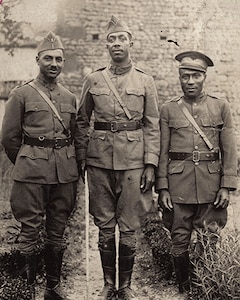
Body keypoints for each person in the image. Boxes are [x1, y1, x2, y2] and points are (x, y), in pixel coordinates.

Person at [74, 15, 160, 300]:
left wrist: (150, 163)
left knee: (130, 223)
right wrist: (83, 157)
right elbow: (81, 120)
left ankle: (125, 287)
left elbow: (152, 124)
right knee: (104, 223)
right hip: (99, 162)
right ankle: (108, 284)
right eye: (111, 40)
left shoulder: (145, 81)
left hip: (134, 162)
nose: (116, 44)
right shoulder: (94, 79)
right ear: (107, 46)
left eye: (121, 38)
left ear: (131, 43)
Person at [1, 31, 79, 300]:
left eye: (58, 59)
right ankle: (26, 290)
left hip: (64, 175)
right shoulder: (20, 94)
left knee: (57, 230)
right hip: (31, 174)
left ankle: (52, 290)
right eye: (48, 58)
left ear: (63, 62)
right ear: (38, 59)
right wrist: (28, 160)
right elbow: (9, 138)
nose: (54, 63)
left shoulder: (69, 97)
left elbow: (74, 135)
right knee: (30, 231)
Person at [156, 51, 237, 298]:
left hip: (211, 185)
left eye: (195, 76)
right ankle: (184, 289)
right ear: (179, 78)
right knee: (179, 239)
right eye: (185, 76)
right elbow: (162, 150)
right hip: (178, 186)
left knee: (209, 237)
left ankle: (205, 287)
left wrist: (227, 185)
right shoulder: (168, 109)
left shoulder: (221, 107)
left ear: (204, 77)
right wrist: (162, 187)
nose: (190, 81)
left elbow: (230, 149)